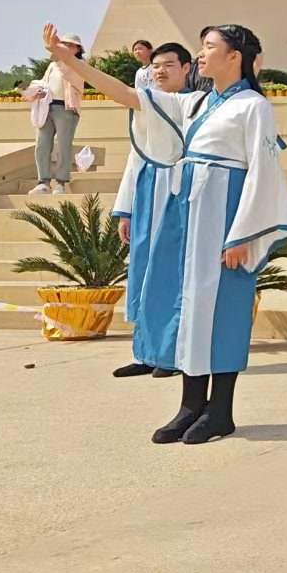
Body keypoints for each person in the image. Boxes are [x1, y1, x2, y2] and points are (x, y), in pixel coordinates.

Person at [45, 22, 287, 444]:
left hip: (226, 217)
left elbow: (264, 172)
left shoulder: (254, 106)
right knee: (189, 307)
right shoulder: (196, 103)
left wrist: (243, 236)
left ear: (235, 57)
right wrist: (69, 61)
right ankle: (191, 406)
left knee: (224, 312)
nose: (201, 54)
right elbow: (128, 95)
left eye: (209, 47)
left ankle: (221, 411)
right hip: (190, 214)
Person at [108, 41, 195, 380]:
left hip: (175, 191)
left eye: (170, 64)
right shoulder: (150, 103)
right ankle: (144, 352)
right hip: (147, 192)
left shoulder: (192, 103)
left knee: (168, 274)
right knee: (143, 271)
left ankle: (170, 353)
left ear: (187, 68)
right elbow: (135, 159)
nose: (160, 70)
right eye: (156, 65)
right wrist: (125, 210)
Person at [30, 33, 86, 195]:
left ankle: (61, 183)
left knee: (63, 146)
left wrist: (55, 52)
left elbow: (66, 70)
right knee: (42, 145)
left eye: (70, 45)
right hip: (47, 107)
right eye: (64, 44)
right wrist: (34, 90)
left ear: (77, 49)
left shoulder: (79, 64)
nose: (66, 47)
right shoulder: (52, 65)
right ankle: (43, 182)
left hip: (67, 109)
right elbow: (44, 83)